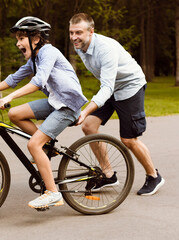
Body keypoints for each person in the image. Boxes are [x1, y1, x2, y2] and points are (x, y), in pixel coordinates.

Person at [0, 16, 88, 209]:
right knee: (15, 114)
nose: (18, 43)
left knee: (33, 144)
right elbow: (13, 79)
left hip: (67, 105)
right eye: (17, 39)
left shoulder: (48, 52)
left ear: (35, 38)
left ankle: (53, 193)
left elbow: (37, 83)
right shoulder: (35, 59)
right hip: (55, 102)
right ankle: (46, 148)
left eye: (21, 38)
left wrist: (9, 98)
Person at [69, 13, 164, 196]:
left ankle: (154, 176)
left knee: (128, 139)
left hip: (130, 86)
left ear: (91, 31)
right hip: (111, 87)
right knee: (89, 126)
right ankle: (108, 174)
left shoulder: (105, 48)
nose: (74, 37)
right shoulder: (81, 47)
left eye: (78, 32)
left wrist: (86, 109)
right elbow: (106, 84)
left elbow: (106, 86)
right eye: (71, 33)